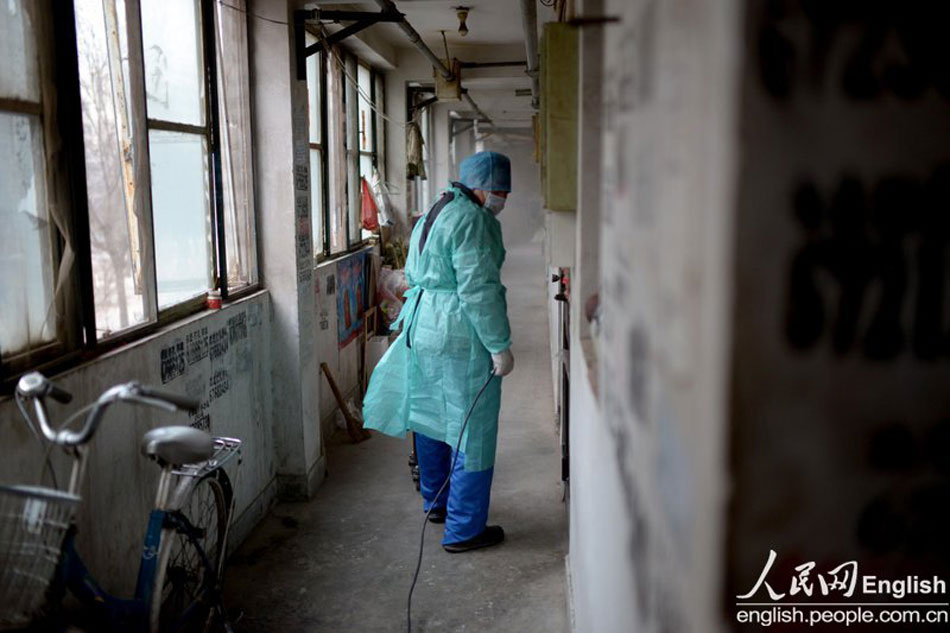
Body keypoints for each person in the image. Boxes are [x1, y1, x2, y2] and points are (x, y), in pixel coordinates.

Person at [363, 150, 515, 553]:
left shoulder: (439, 206)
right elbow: (479, 292)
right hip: (457, 331)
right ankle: (465, 530)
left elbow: (417, 272)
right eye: (500, 190)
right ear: (480, 186)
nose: (502, 199)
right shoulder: (474, 221)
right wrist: (499, 345)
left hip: (424, 322)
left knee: (431, 416)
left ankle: (437, 502)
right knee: (472, 427)